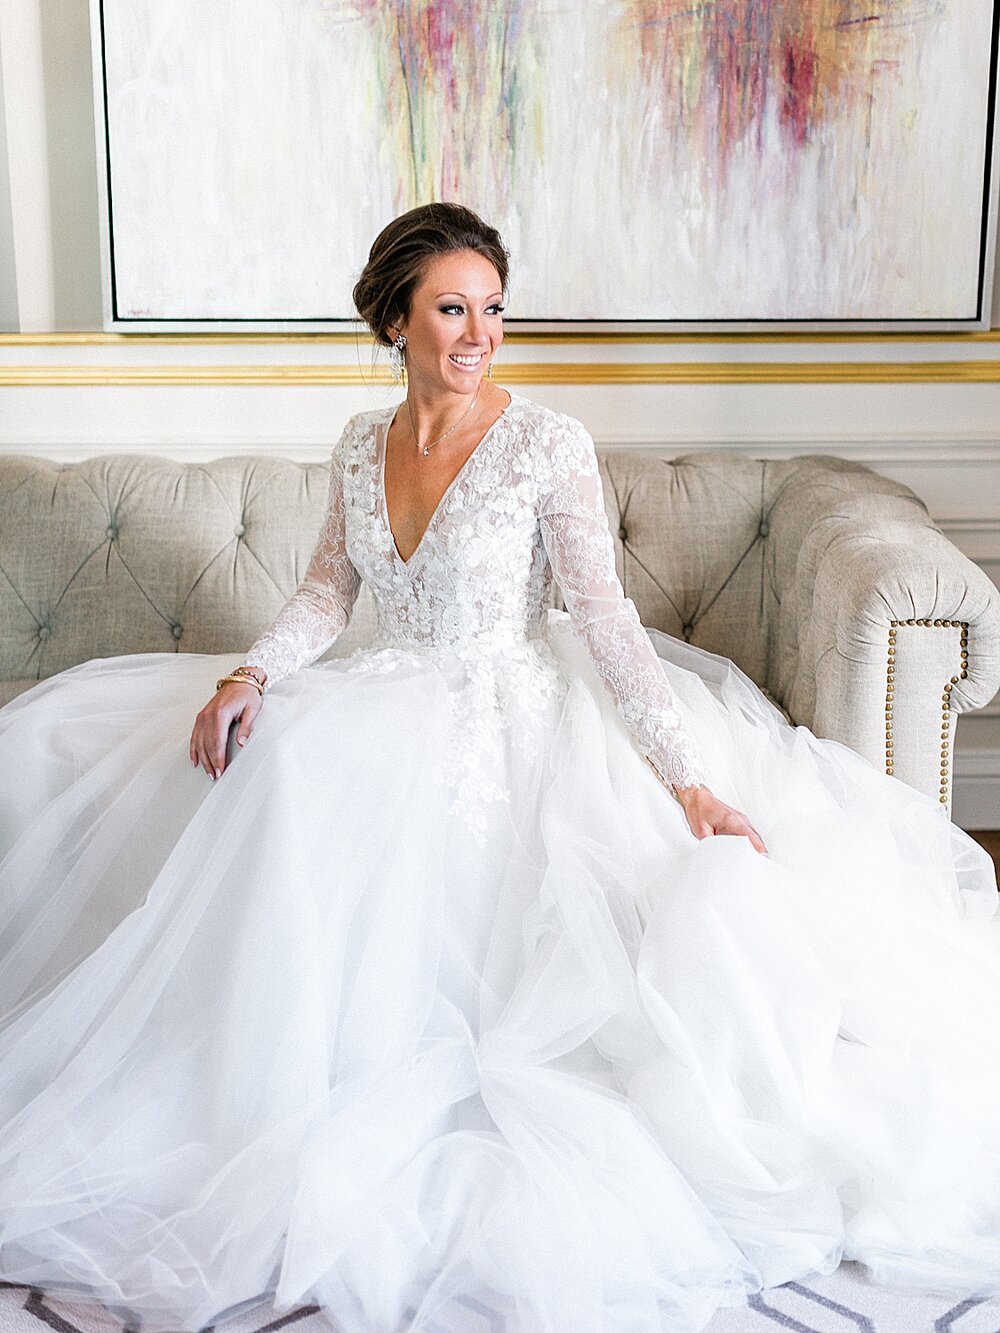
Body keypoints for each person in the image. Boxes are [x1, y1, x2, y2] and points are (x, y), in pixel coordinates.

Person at [0, 202, 998, 1333]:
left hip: (520, 714)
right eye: (452, 309)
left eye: (493, 310)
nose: (478, 334)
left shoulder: (544, 444)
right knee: (257, 774)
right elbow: (331, 591)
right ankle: (248, 1079)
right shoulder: (358, 443)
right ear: (396, 319)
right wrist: (252, 677)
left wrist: (689, 783)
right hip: (387, 691)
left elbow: (607, 620)